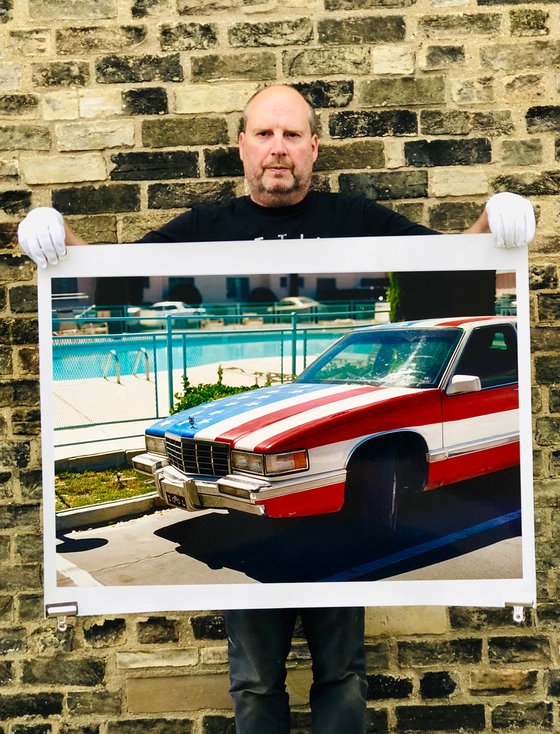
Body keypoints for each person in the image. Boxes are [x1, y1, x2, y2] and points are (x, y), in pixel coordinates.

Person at [17, 84, 535, 734]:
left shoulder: (358, 220)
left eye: (292, 135)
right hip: (245, 477)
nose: (278, 149)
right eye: (265, 134)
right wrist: (55, 235)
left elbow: (460, 264)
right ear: (242, 145)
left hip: (326, 512)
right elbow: (99, 275)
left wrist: (496, 223)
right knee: (255, 683)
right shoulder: (202, 230)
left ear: (314, 148)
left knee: (342, 675)